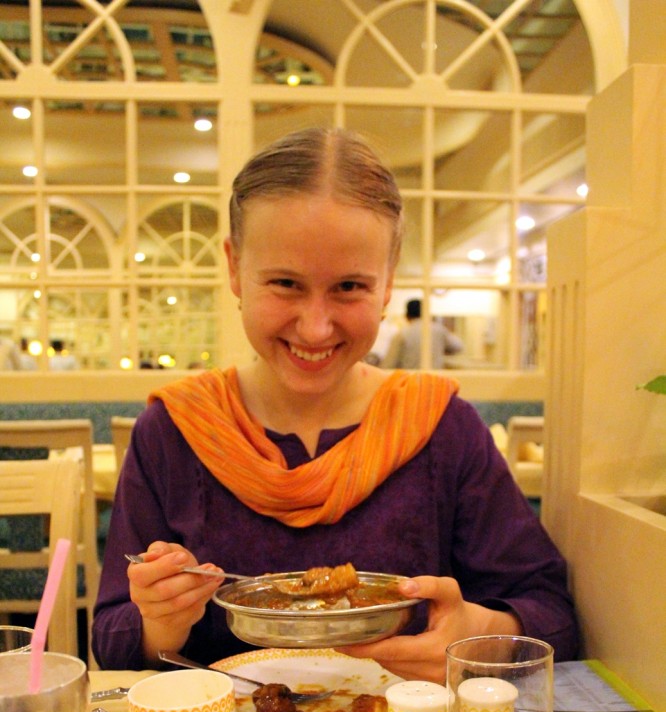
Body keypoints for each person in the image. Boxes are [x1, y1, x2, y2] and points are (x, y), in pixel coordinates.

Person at [93, 126, 578, 679]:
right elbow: (112, 638)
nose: (316, 328)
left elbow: (552, 616)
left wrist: (479, 636)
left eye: (349, 287)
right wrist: (161, 621)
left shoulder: (441, 427)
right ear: (233, 267)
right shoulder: (175, 429)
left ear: (388, 281)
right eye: (285, 283)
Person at [391, 299, 463, 369]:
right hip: (434, 375)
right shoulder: (438, 329)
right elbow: (458, 346)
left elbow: (390, 363)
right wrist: (441, 349)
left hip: (410, 376)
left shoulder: (403, 333)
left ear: (407, 316)